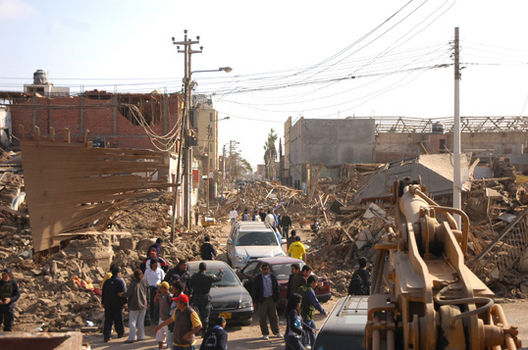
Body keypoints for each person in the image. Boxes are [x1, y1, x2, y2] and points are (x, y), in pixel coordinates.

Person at [189, 262, 223, 334]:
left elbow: (190, 284)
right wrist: (221, 272)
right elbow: (218, 278)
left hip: (196, 297)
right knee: (205, 315)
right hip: (205, 297)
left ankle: (196, 330)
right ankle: (204, 331)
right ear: (205, 269)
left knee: (196, 313)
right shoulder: (208, 277)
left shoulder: (194, 276)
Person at [252, 262, 281, 340]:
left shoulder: (273, 277)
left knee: (274, 316)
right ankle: (265, 333)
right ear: (262, 270)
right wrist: (255, 301)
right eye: (264, 269)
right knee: (263, 317)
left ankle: (276, 331)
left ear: (269, 269)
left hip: (271, 299)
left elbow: (276, 288)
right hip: (262, 300)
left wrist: (277, 298)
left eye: (267, 269)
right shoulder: (258, 278)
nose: (266, 271)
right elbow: (255, 290)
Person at [297, 275, 328, 348]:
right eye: (316, 283)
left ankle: (314, 346)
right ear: (313, 282)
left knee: (313, 330)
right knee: (306, 333)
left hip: (301, 313)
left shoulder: (301, 288)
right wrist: (323, 312)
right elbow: (315, 302)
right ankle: (306, 346)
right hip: (307, 314)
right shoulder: (309, 290)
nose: (317, 284)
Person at [102, 265, 126, 342]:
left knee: (108, 320)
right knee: (118, 319)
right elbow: (123, 293)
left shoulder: (107, 282)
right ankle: (120, 333)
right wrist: (124, 302)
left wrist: (103, 302)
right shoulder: (120, 281)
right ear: (118, 273)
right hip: (117, 303)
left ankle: (107, 336)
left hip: (108, 304)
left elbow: (103, 293)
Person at [125, 269, 148, 343]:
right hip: (143, 303)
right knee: (141, 321)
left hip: (134, 304)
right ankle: (141, 336)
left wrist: (122, 294)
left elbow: (129, 293)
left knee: (132, 321)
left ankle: (132, 337)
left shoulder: (133, 283)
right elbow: (147, 292)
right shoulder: (144, 281)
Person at [144, 259, 166, 326]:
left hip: (158, 289)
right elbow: (144, 280)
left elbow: (163, 280)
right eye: (154, 264)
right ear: (151, 265)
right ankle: (150, 318)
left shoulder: (160, 271)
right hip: (149, 289)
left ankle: (157, 319)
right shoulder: (147, 271)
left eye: (157, 264)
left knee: (157, 304)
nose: (156, 266)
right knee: (150, 303)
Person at [155, 281, 173, 349]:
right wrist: (157, 293)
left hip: (168, 320)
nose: (159, 289)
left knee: (169, 339)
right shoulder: (161, 296)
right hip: (161, 318)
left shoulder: (169, 296)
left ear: (165, 288)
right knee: (160, 337)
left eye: (161, 288)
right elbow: (155, 301)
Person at [167, 281, 185, 348]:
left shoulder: (182, 298)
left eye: (173, 288)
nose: (172, 289)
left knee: (175, 342)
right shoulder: (174, 296)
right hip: (172, 320)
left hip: (177, 322)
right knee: (169, 341)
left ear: (177, 289)